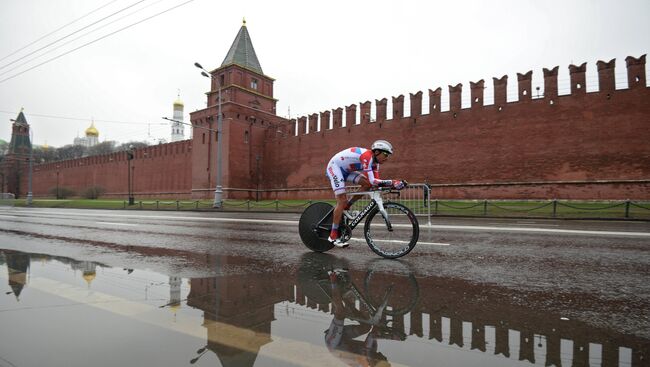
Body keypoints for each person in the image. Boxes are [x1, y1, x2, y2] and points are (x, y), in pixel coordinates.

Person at [325, 140, 405, 247]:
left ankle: (348, 205)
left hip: (347, 170)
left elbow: (374, 182)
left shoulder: (375, 164)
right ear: (376, 152)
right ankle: (333, 236)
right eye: (385, 154)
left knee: (367, 185)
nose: (387, 158)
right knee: (341, 200)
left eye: (388, 155)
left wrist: (393, 184)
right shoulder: (367, 157)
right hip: (335, 168)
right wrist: (392, 183)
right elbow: (374, 181)